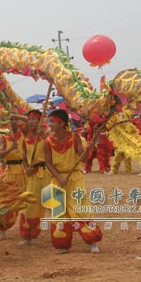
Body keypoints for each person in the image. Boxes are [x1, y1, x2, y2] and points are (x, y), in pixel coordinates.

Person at [44, 109, 102, 254]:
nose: (49, 124)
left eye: (52, 122)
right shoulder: (48, 142)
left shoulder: (75, 138)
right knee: (58, 213)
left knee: (80, 210)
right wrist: (59, 177)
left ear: (61, 123)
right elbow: (48, 163)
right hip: (57, 180)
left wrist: (88, 149)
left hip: (74, 179)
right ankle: (63, 244)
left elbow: (82, 159)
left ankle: (92, 241)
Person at [0, 113, 27, 240]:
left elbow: (32, 120)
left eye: (15, 120)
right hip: (11, 171)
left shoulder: (24, 133)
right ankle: (2, 229)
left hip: (25, 169)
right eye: (11, 120)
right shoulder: (4, 138)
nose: (13, 122)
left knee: (28, 200)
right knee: (9, 202)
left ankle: (28, 231)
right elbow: (0, 154)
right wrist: (11, 148)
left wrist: (18, 116)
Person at [19, 109, 51, 245]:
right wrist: (26, 168)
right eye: (29, 119)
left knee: (53, 204)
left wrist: (43, 135)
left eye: (34, 119)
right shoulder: (25, 138)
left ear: (40, 121)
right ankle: (28, 235)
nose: (31, 122)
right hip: (34, 175)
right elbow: (24, 157)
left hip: (48, 173)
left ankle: (61, 234)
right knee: (30, 204)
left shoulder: (48, 134)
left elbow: (53, 147)